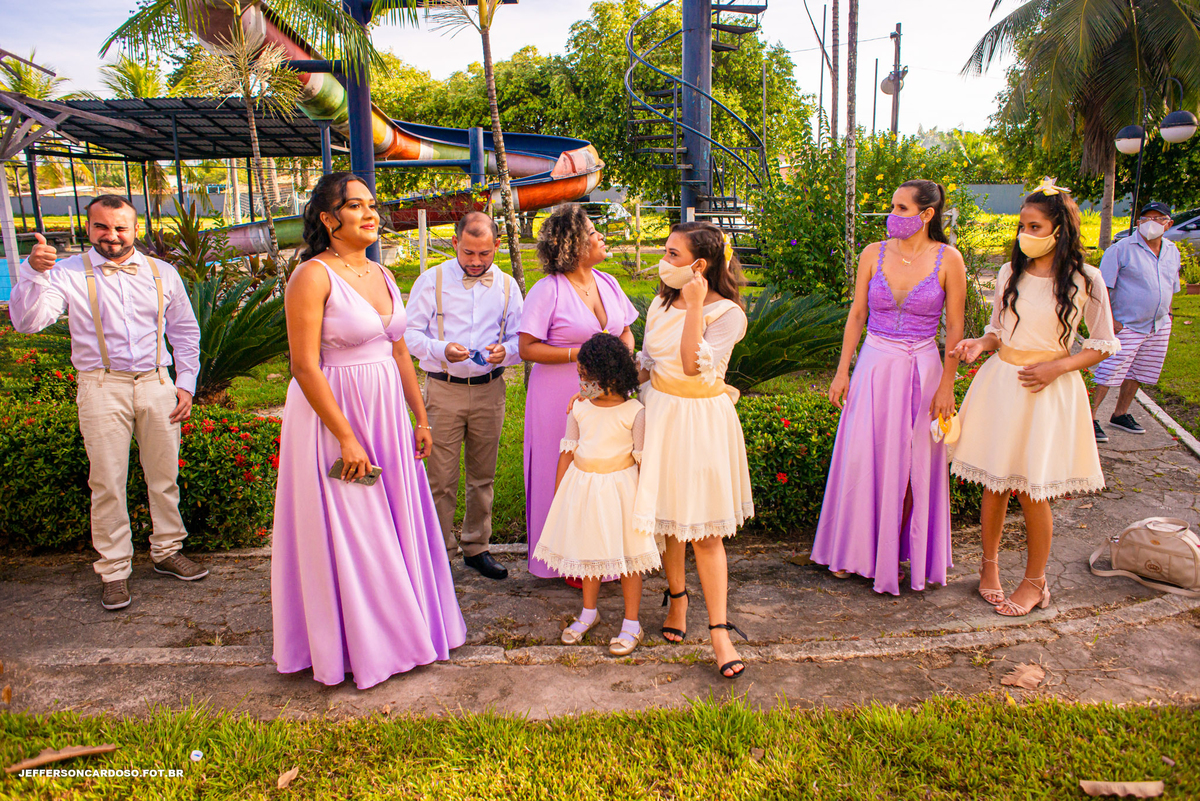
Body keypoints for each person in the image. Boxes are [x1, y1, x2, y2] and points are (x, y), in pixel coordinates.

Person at [272, 172, 465, 690]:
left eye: (372, 204)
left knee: (397, 517)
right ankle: (364, 646)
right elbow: (304, 365)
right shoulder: (312, 276)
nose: (370, 213)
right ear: (328, 218)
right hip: (333, 414)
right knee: (356, 529)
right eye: (356, 205)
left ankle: (410, 629)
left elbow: (399, 351)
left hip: (387, 413)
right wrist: (346, 437)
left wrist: (420, 417)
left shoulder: (381, 273)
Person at [9, 195, 205, 611]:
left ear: (135, 229)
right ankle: (114, 570)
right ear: (89, 228)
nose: (111, 236)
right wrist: (32, 273)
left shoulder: (162, 272)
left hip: (156, 382)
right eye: (101, 226)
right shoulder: (65, 272)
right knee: (107, 482)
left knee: (164, 474)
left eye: (120, 227)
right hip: (101, 386)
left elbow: (185, 331)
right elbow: (27, 323)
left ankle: (167, 550)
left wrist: (186, 384)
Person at [950, 178, 1120, 616]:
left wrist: (1057, 367)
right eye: (1021, 225)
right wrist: (979, 344)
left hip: (1046, 390)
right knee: (994, 483)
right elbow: (997, 330)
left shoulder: (1086, 279)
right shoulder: (1011, 273)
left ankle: (1035, 581)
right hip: (1002, 385)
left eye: (1035, 226)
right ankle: (989, 568)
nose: (1025, 233)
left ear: (1060, 230)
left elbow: (1103, 343)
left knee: (1032, 490)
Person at [813, 180, 967, 596]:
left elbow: (955, 327)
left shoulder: (949, 259)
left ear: (927, 214)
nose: (892, 215)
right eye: (893, 206)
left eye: (901, 208)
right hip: (875, 366)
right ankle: (855, 553)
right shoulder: (872, 253)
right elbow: (857, 314)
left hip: (924, 370)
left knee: (915, 466)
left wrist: (948, 384)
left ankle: (898, 553)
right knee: (863, 458)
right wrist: (842, 371)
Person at [633, 221, 753, 679]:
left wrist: (697, 306)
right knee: (669, 521)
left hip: (700, 422)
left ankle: (719, 632)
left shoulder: (728, 315)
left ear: (699, 265)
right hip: (661, 414)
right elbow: (650, 365)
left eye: (672, 254)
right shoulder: (660, 303)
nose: (663, 261)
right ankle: (677, 598)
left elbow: (689, 365)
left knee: (705, 532)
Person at [519, 204, 638, 583]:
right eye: (592, 232)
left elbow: (626, 331)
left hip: (608, 395)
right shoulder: (546, 290)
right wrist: (581, 354)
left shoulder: (609, 282)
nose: (600, 236)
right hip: (557, 394)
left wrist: (619, 361)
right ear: (571, 244)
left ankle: (603, 558)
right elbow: (526, 348)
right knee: (564, 469)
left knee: (606, 470)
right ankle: (563, 559)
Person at [404, 211, 523, 580]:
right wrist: (440, 349)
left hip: (490, 390)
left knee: (482, 475)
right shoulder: (432, 280)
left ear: (497, 246)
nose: (475, 261)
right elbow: (408, 334)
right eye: (468, 252)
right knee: (440, 478)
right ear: (455, 243)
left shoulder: (507, 286)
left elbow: (521, 337)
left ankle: (477, 547)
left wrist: (507, 351)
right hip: (444, 389)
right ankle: (438, 552)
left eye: (484, 254)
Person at [532, 332, 658, 655]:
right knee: (589, 553)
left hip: (622, 494)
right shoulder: (580, 408)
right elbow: (567, 453)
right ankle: (589, 612)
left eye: (586, 376)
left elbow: (642, 461)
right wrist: (560, 498)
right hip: (585, 489)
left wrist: (646, 504)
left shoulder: (635, 412)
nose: (581, 383)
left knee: (630, 558)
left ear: (609, 376)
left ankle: (632, 622)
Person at [1090, 202, 1181, 441]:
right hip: (1127, 324)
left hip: (1158, 325)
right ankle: (1090, 417)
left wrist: (1168, 313)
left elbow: (1171, 284)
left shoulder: (1172, 250)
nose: (1152, 223)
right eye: (1146, 218)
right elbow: (1102, 288)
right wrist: (1111, 320)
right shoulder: (1121, 249)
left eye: (1158, 218)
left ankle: (1120, 414)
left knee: (1139, 371)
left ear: (1169, 224)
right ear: (1138, 222)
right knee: (1108, 371)